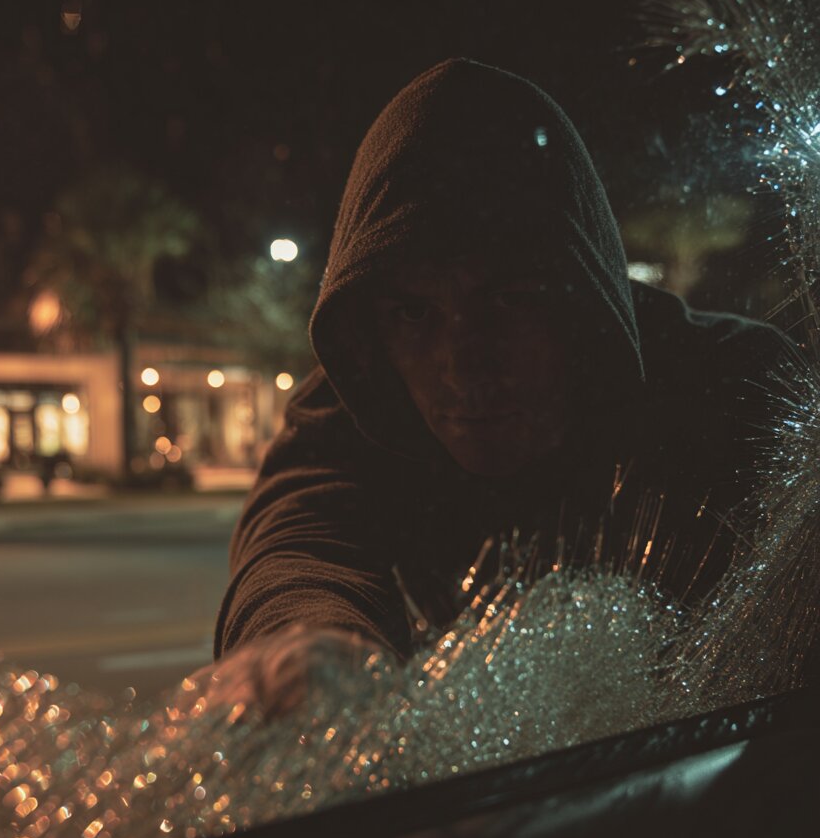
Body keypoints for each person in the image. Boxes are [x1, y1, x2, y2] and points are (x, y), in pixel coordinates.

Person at [211, 58, 792, 690]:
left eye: (512, 298)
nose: (465, 362)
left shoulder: (738, 389)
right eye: (414, 312)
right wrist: (308, 646)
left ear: (580, 298)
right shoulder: (360, 407)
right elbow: (299, 545)